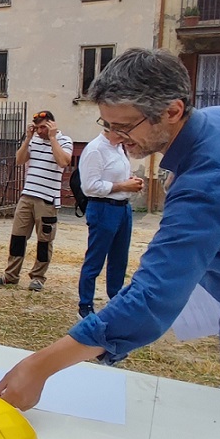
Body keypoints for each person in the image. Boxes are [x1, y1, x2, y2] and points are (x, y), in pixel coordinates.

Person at [0, 48, 220, 409]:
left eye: (123, 126)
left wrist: (39, 367)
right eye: (107, 125)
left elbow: (151, 297)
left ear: (173, 111)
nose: (115, 137)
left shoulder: (209, 181)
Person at [0, 110, 73, 290]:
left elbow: (63, 162)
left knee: (44, 240)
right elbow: (19, 160)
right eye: (37, 127)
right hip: (27, 195)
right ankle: (11, 275)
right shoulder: (34, 140)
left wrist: (52, 138)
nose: (40, 131)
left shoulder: (64, 141)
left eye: (43, 127)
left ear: (52, 125)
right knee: (18, 237)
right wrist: (27, 139)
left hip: (47, 199)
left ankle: (38, 277)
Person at [74, 126, 144, 318]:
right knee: (96, 258)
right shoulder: (95, 149)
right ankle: (85, 304)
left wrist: (131, 182)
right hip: (103, 207)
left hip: (123, 207)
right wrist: (123, 185)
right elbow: (89, 186)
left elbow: (115, 176)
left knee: (119, 259)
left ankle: (115, 298)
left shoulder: (119, 148)